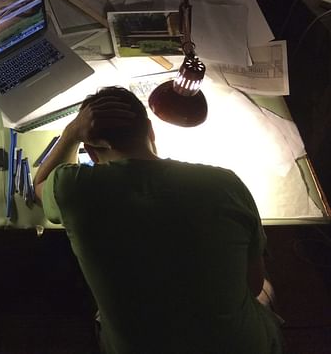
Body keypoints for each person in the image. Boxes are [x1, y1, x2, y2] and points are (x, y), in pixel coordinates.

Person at [34, 86, 282, 354]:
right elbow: (254, 285)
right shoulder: (226, 184)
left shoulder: (73, 188)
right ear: (151, 131)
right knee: (266, 288)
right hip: (243, 347)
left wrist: (71, 133)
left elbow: (39, 183)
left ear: (91, 153)